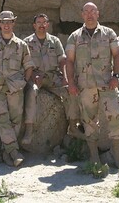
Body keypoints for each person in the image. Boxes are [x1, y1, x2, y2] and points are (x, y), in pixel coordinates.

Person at [65, 2, 119, 168]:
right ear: (82, 15)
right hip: (86, 86)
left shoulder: (109, 33)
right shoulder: (75, 37)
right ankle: (94, 158)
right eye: (86, 11)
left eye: (93, 11)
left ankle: (118, 157)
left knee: (115, 117)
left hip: (108, 84)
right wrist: (71, 83)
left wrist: (116, 76)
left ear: (98, 14)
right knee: (89, 122)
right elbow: (69, 61)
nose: (90, 14)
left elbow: (117, 55)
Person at [0, 11, 35, 167]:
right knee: (3, 119)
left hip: (15, 87)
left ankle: (6, 152)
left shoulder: (21, 45)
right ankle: (14, 152)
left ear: (13, 23)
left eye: (9, 22)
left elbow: (28, 66)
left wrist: (23, 82)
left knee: (16, 120)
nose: (6, 25)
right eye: (4, 22)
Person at [21, 13, 85, 144]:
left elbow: (62, 60)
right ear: (34, 25)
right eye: (39, 23)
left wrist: (66, 78)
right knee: (31, 92)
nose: (42, 25)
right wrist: (32, 75)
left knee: (70, 91)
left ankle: (73, 125)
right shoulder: (27, 42)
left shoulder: (54, 41)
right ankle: (29, 129)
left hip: (52, 76)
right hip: (35, 76)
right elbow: (24, 63)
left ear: (48, 25)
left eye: (44, 22)